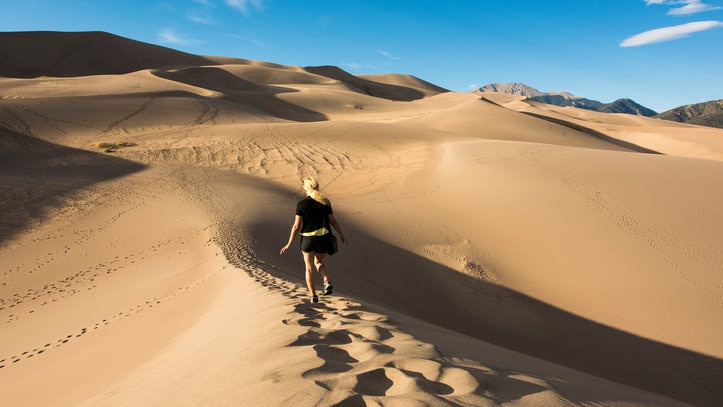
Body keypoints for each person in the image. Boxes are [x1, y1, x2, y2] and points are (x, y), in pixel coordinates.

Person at [280, 177, 348, 303]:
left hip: (307, 239)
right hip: (323, 238)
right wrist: (342, 234)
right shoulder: (325, 202)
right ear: (317, 187)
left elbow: (296, 226)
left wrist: (289, 244)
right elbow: (333, 221)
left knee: (309, 268)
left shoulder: (301, 204)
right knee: (318, 263)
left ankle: (313, 296)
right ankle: (326, 280)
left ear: (306, 188)